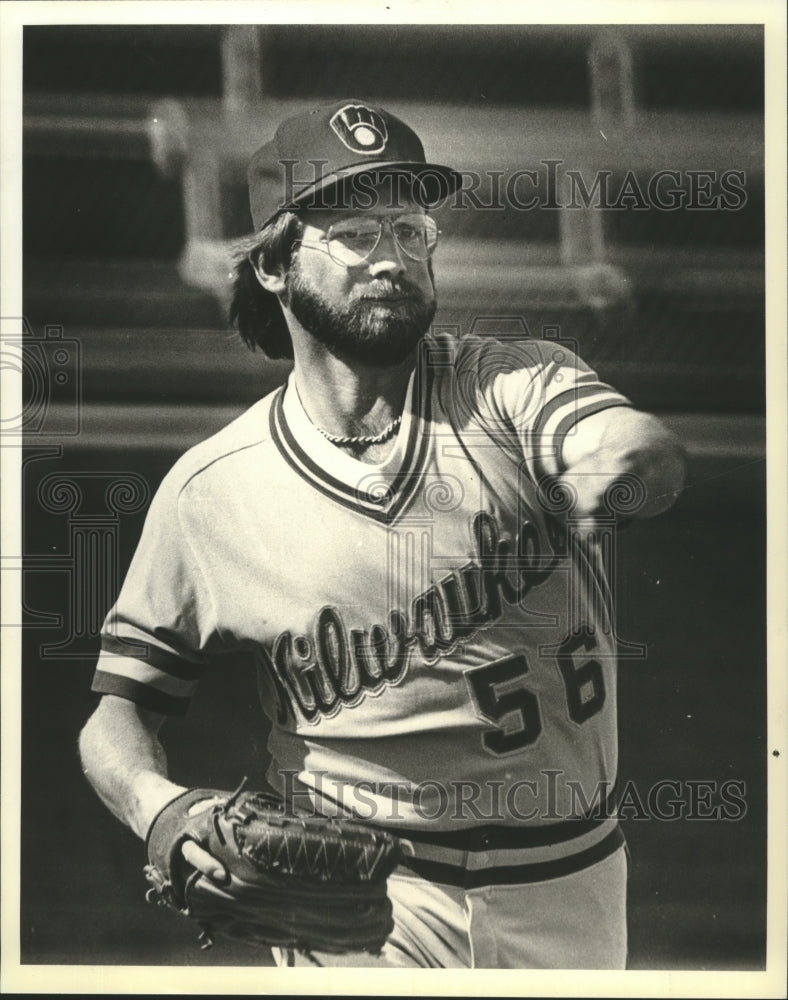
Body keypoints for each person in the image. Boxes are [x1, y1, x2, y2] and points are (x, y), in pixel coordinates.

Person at [79, 99, 685, 969]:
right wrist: (159, 810)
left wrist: (620, 458)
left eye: (411, 227)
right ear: (277, 267)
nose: (393, 256)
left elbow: (630, 442)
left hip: (574, 880)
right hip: (360, 902)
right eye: (358, 232)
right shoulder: (213, 492)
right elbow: (116, 715)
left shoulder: (509, 388)